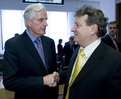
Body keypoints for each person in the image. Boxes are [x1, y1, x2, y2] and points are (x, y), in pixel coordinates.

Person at [55, 5, 121, 99]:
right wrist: (57, 76)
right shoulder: (78, 50)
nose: (72, 29)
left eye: (77, 25)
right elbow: (77, 76)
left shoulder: (115, 60)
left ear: (93, 29)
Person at [3, 3, 58, 99]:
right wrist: (42, 81)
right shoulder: (13, 45)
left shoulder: (50, 42)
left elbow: (52, 70)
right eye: (41, 20)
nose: (46, 24)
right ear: (29, 22)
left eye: (46, 19)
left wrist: (56, 76)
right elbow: (10, 82)